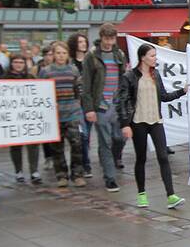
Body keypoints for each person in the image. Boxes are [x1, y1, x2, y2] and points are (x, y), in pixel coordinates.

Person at [117, 43, 187, 209]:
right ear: (143, 58)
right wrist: (125, 124)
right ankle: (141, 194)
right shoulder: (129, 76)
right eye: (152, 56)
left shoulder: (156, 74)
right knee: (141, 158)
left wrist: (181, 92)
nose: (155, 59)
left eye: (155, 55)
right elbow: (122, 101)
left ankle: (171, 195)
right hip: (138, 122)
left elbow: (163, 96)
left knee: (163, 157)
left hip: (156, 121)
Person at [82, 23, 128, 192]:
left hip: (117, 104)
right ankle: (110, 177)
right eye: (106, 39)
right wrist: (89, 109)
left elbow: (123, 77)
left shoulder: (119, 54)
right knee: (105, 142)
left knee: (120, 137)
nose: (109, 42)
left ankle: (111, 159)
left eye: (112, 39)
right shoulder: (92, 56)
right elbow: (86, 84)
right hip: (100, 104)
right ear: (101, 38)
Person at [40, 41, 86, 187]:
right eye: (58, 53)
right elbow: (40, 91)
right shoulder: (46, 72)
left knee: (77, 145)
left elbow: (78, 89)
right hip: (55, 115)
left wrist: (78, 104)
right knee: (57, 148)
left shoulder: (73, 70)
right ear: (53, 54)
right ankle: (61, 175)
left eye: (64, 53)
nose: (61, 56)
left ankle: (77, 174)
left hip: (72, 113)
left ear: (68, 55)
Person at [3, 53, 43, 185]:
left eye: (21, 62)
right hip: (13, 118)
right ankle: (18, 171)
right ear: (11, 64)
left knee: (33, 145)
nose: (19, 65)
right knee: (15, 146)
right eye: (16, 62)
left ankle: (34, 171)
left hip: (29, 117)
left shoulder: (30, 77)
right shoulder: (5, 79)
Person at [67, 32, 93, 178]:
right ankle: (85, 164)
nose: (83, 44)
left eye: (84, 41)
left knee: (87, 135)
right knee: (81, 135)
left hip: (88, 103)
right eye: (80, 42)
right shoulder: (70, 63)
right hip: (76, 103)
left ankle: (84, 161)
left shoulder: (90, 60)